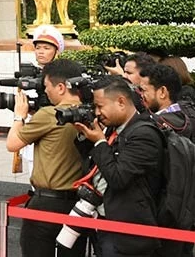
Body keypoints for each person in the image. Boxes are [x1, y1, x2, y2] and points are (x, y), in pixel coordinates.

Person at [7, 58, 91, 257]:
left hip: (46, 204)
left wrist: (19, 116)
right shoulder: (89, 113)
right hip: (78, 204)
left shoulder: (49, 114)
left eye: (47, 87)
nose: (45, 92)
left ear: (61, 87)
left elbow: (12, 144)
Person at [73, 77, 166, 257]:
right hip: (104, 221)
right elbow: (93, 161)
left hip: (127, 232)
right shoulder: (114, 128)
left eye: (100, 106)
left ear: (121, 102)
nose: (97, 113)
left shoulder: (144, 134)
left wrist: (100, 142)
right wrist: (85, 134)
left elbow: (118, 178)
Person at [140, 62, 195, 257]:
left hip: (164, 218)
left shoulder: (155, 127)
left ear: (162, 92)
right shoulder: (186, 118)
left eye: (144, 90)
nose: (140, 95)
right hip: (184, 215)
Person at [18, 25, 65, 175]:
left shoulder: (62, 76)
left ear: (56, 51)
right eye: (38, 48)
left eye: (46, 48)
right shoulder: (28, 75)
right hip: (32, 131)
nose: (41, 51)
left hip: (56, 133)